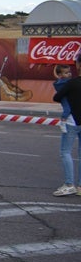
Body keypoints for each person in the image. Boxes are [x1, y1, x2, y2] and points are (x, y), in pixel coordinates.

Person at [53, 56, 81, 196]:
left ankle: (69, 184)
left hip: (71, 120)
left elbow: (57, 97)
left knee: (65, 151)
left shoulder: (71, 84)